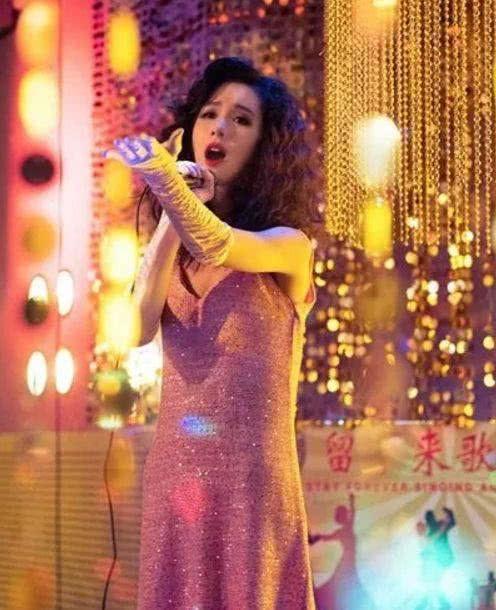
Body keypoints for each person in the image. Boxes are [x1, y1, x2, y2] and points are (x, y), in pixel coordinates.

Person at [103, 56, 322, 609]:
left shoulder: (289, 245)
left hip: (253, 485)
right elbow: (135, 329)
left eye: (241, 120)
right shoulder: (175, 249)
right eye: (209, 114)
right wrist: (171, 211)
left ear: (264, 148)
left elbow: (220, 244)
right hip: (176, 480)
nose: (220, 127)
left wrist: (164, 182)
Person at [308, 494, 376, 610]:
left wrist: (352, 501)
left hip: (348, 562)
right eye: (343, 515)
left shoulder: (346, 528)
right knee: (342, 584)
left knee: (343, 584)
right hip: (347, 562)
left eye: (345, 514)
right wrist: (351, 501)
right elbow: (326, 537)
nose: (346, 517)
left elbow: (325, 537)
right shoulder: (343, 530)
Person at [415, 507, 457, 610]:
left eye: (431, 519)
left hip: (440, 561)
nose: (429, 522)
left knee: (433, 585)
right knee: (432, 585)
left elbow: (451, 523)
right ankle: (437, 604)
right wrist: (447, 521)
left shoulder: (435, 527)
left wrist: (449, 515)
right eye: (428, 520)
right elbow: (433, 538)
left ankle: (441, 605)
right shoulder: (426, 536)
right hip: (434, 564)